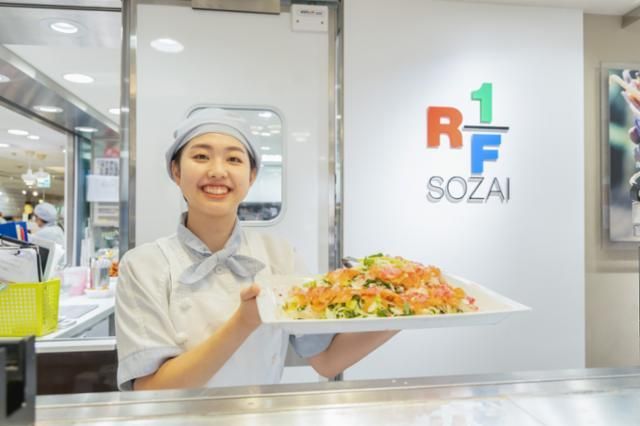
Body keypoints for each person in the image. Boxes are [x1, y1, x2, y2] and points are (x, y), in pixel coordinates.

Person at [115, 108, 396, 391]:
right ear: (176, 171)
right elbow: (150, 390)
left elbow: (326, 359)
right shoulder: (143, 265)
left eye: (234, 159)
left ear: (251, 176)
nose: (217, 171)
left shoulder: (280, 255)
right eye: (201, 156)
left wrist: (404, 307)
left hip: (260, 412)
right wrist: (243, 322)